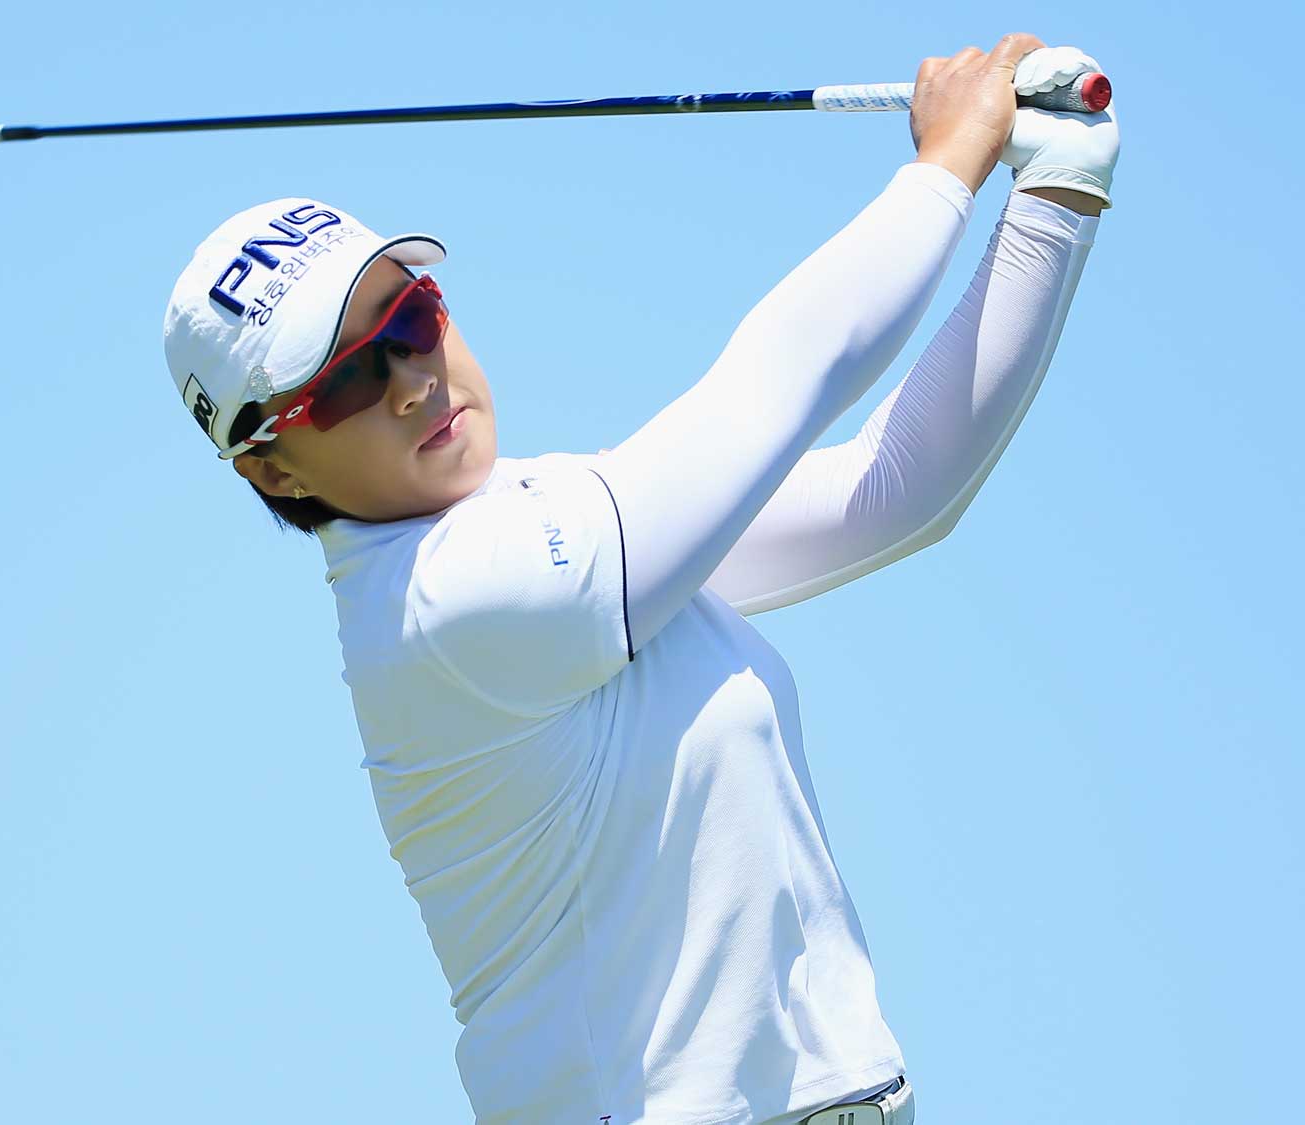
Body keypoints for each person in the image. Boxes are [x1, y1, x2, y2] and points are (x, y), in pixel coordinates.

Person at [162, 33, 1117, 1125]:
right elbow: (777, 383)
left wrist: (1054, 195)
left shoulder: (557, 524)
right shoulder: (446, 605)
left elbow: (891, 490)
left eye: (410, 318)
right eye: (342, 382)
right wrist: (944, 164)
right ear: (273, 467)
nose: (412, 381)